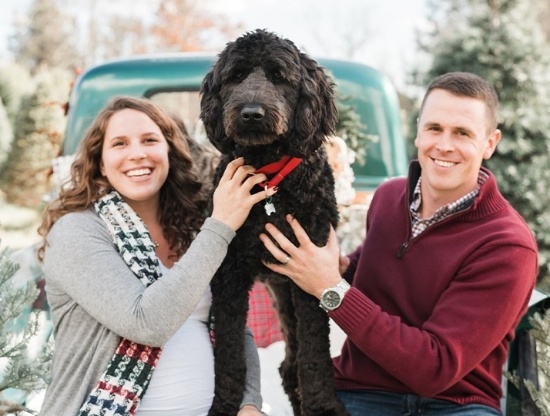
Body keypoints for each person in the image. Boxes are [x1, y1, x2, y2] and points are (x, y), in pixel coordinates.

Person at [259, 72, 538, 415]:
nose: (444, 145)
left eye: (462, 133)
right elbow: (374, 269)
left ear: (490, 143)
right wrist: (340, 266)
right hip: (363, 390)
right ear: (419, 130)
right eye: (435, 128)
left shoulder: (507, 245)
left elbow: (434, 367)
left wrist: (329, 287)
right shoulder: (390, 197)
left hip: (454, 404)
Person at [37, 96, 273, 416]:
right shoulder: (76, 232)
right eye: (119, 144)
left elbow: (233, 323)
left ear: (169, 152)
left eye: (150, 140)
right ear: (101, 163)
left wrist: (248, 402)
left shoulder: (193, 232)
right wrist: (220, 226)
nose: (137, 154)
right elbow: (147, 323)